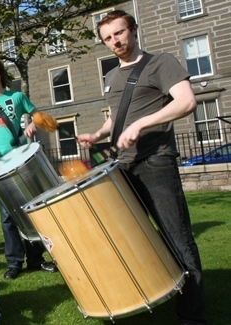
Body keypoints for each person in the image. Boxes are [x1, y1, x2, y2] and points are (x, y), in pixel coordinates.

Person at [77, 10, 205, 324]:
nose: (114, 42)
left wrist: (143, 123)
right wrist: (98, 134)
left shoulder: (161, 63)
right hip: (121, 167)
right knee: (129, 237)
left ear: (133, 29)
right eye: (107, 38)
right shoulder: (111, 76)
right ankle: (148, 292)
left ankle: (191, 315)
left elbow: (186, 101)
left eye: (119, 33)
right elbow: (117, 116)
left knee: (178, 238)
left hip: (155, 162)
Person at [0, 57, 57, 280]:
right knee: (8, 216)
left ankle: (36, 259)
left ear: (0, 74)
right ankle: (14, 263)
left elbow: (37, 115)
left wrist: (32, 125)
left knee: (30, 210)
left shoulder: (16, 97)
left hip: (20, 160)